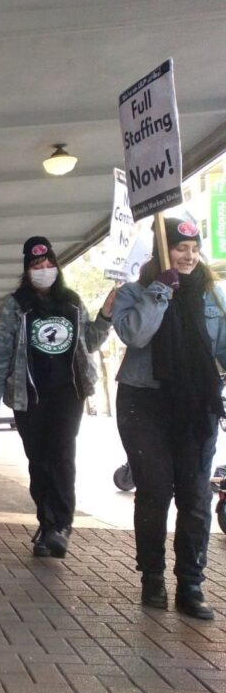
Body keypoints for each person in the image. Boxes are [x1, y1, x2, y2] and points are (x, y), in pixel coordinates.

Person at [113, 218, 224, 620]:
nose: (189, 256)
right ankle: (153, 578)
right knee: (155, 490)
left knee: (195, 495)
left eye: (194, 249)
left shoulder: (213, 297)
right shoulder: (135, 292)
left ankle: (191, 584)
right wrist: (161, 289)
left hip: (196, 407)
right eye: (180, 248)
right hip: (144, 403)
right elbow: (136, 335)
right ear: (163, 251)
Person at [0, 236, 113, 559]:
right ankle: (47, 521)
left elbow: (90, 342)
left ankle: (60, 526)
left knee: (62, 455)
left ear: (56, 266)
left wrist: (106, 316)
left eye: (48, 263)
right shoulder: (16, 306)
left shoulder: (71, 301)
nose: (43, 269)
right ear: (27, 270)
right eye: (36, 265)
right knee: (38, 461)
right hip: (29, 396)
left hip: (68, 394)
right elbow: (0, 354)